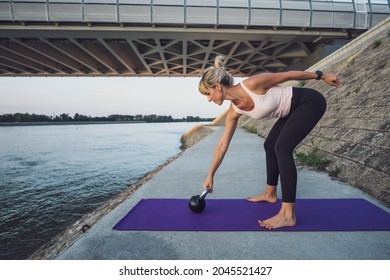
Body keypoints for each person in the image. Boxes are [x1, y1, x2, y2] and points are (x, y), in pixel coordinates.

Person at [198, 55, 340, 230]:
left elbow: (288, 75)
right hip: (291, 111)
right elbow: (222, 144)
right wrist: (210, 174)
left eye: (208, 94)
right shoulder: (234, 111)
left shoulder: (252, 84)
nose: (209, 99)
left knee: (282, 148)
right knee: (270, 145)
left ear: (218, 87)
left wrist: (322, 76)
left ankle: (288, 215)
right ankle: (270, 193)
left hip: (309, 102)